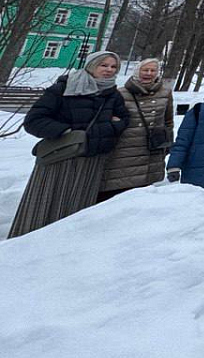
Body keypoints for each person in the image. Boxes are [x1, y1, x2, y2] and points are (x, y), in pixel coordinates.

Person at [9, 50, 129, 238]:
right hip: (61, 156)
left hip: (90, 160)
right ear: (91, 65)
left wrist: (109, 127)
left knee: (77, 207)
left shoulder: (113, 94)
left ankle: (64, 243)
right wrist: (66, 132)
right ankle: (29, 239)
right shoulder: (64, 88)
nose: (109, 70)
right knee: (46, 202)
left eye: (114, 67)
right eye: (103, 65)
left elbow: (124, 120)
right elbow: (34, 121)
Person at [98, 58, 174, 200]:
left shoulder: (165, 93)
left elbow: (168, 121)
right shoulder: (120, 93)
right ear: (137, 72)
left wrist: (167, 145)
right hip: (123, 150)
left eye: (153, 70)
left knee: (139, 198)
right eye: (145, 70)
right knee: (112, 194)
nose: (149, 73)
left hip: (151, 151)